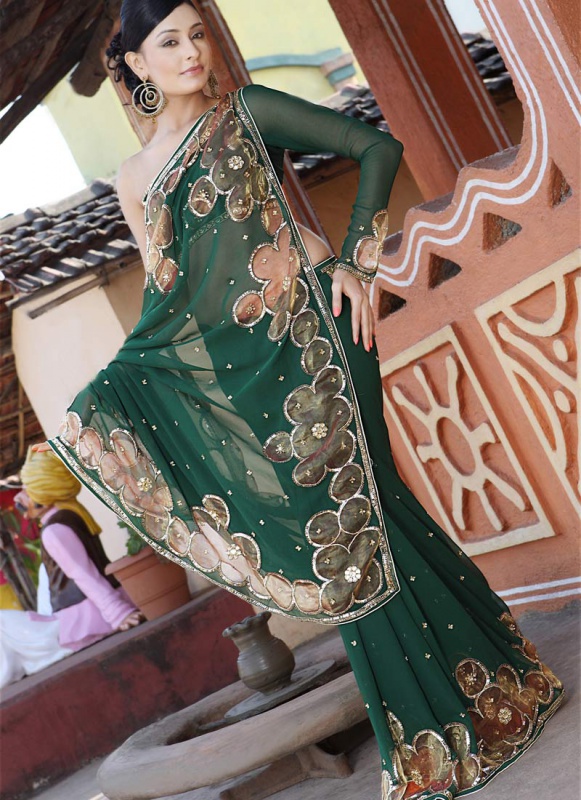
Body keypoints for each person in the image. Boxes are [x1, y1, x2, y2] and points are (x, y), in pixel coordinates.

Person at [35, 1, 563, 796]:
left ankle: (456, 721)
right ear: (137, 65)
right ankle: (481, 693)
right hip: (253, 376)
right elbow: (169, 303)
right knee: (342, 542)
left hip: (323, 335)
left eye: (198, 34)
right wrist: (120, 395)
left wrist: (355, 260)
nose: (192, 51)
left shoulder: (246, 112)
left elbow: (374, 148)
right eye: (170, 41)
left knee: (370, 516)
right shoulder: (134, 180)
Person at [0, 448, 142, 688]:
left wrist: (118, 613)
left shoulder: (55, 531)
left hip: (82, 621)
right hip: (76, 616)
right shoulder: (69, 518)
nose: (19, 498)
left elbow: (84, 575)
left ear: (45, 492)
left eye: (28, 489)